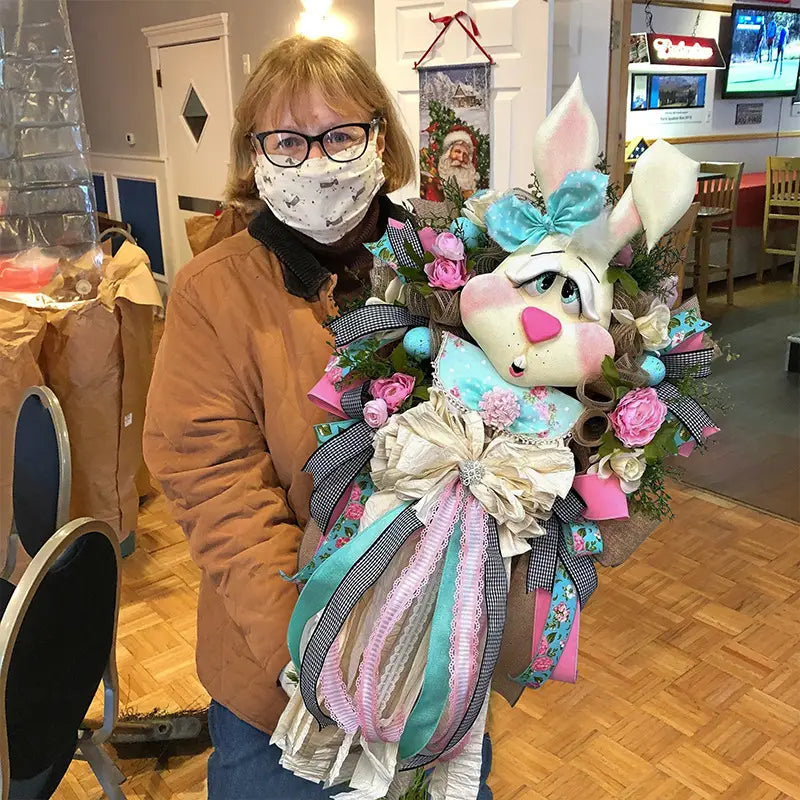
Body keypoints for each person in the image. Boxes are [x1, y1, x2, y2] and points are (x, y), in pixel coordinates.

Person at [143, 36, 493, 800]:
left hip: (434, 661)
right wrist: (320, 657)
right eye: (288, 141)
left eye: (340, 136)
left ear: (380, 138)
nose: (317, 162)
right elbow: (217, 490)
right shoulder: (215, 291)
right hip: (284, 685)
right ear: (255, 155)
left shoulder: (452, 268)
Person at [437, 128, 480, 198]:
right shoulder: (435, 185)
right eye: (457, 151)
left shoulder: (473, 196)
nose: (461, 158)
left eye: (465, 155)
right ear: (448, 153)